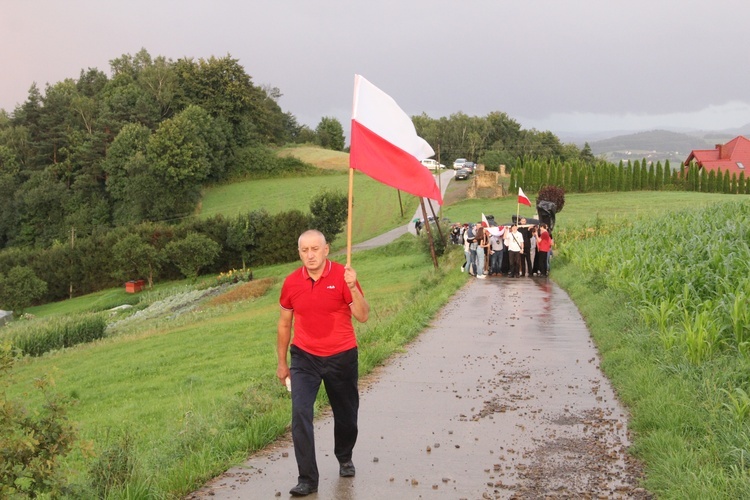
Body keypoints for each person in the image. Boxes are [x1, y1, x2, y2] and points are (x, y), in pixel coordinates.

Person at [277, 229, 370, 497]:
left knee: (346, 414)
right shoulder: (291, 282)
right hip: (304, 357)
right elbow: (284, 323)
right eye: (304, 250)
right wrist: (282, 363)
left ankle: (344, 455)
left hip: (342, 355)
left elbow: (363, 316)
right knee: (300, 413)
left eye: (315, 249)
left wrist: (352, 287)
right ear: (299, 253)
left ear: (326, 249)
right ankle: (307, 479)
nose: (310, 255)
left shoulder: (344, 276)